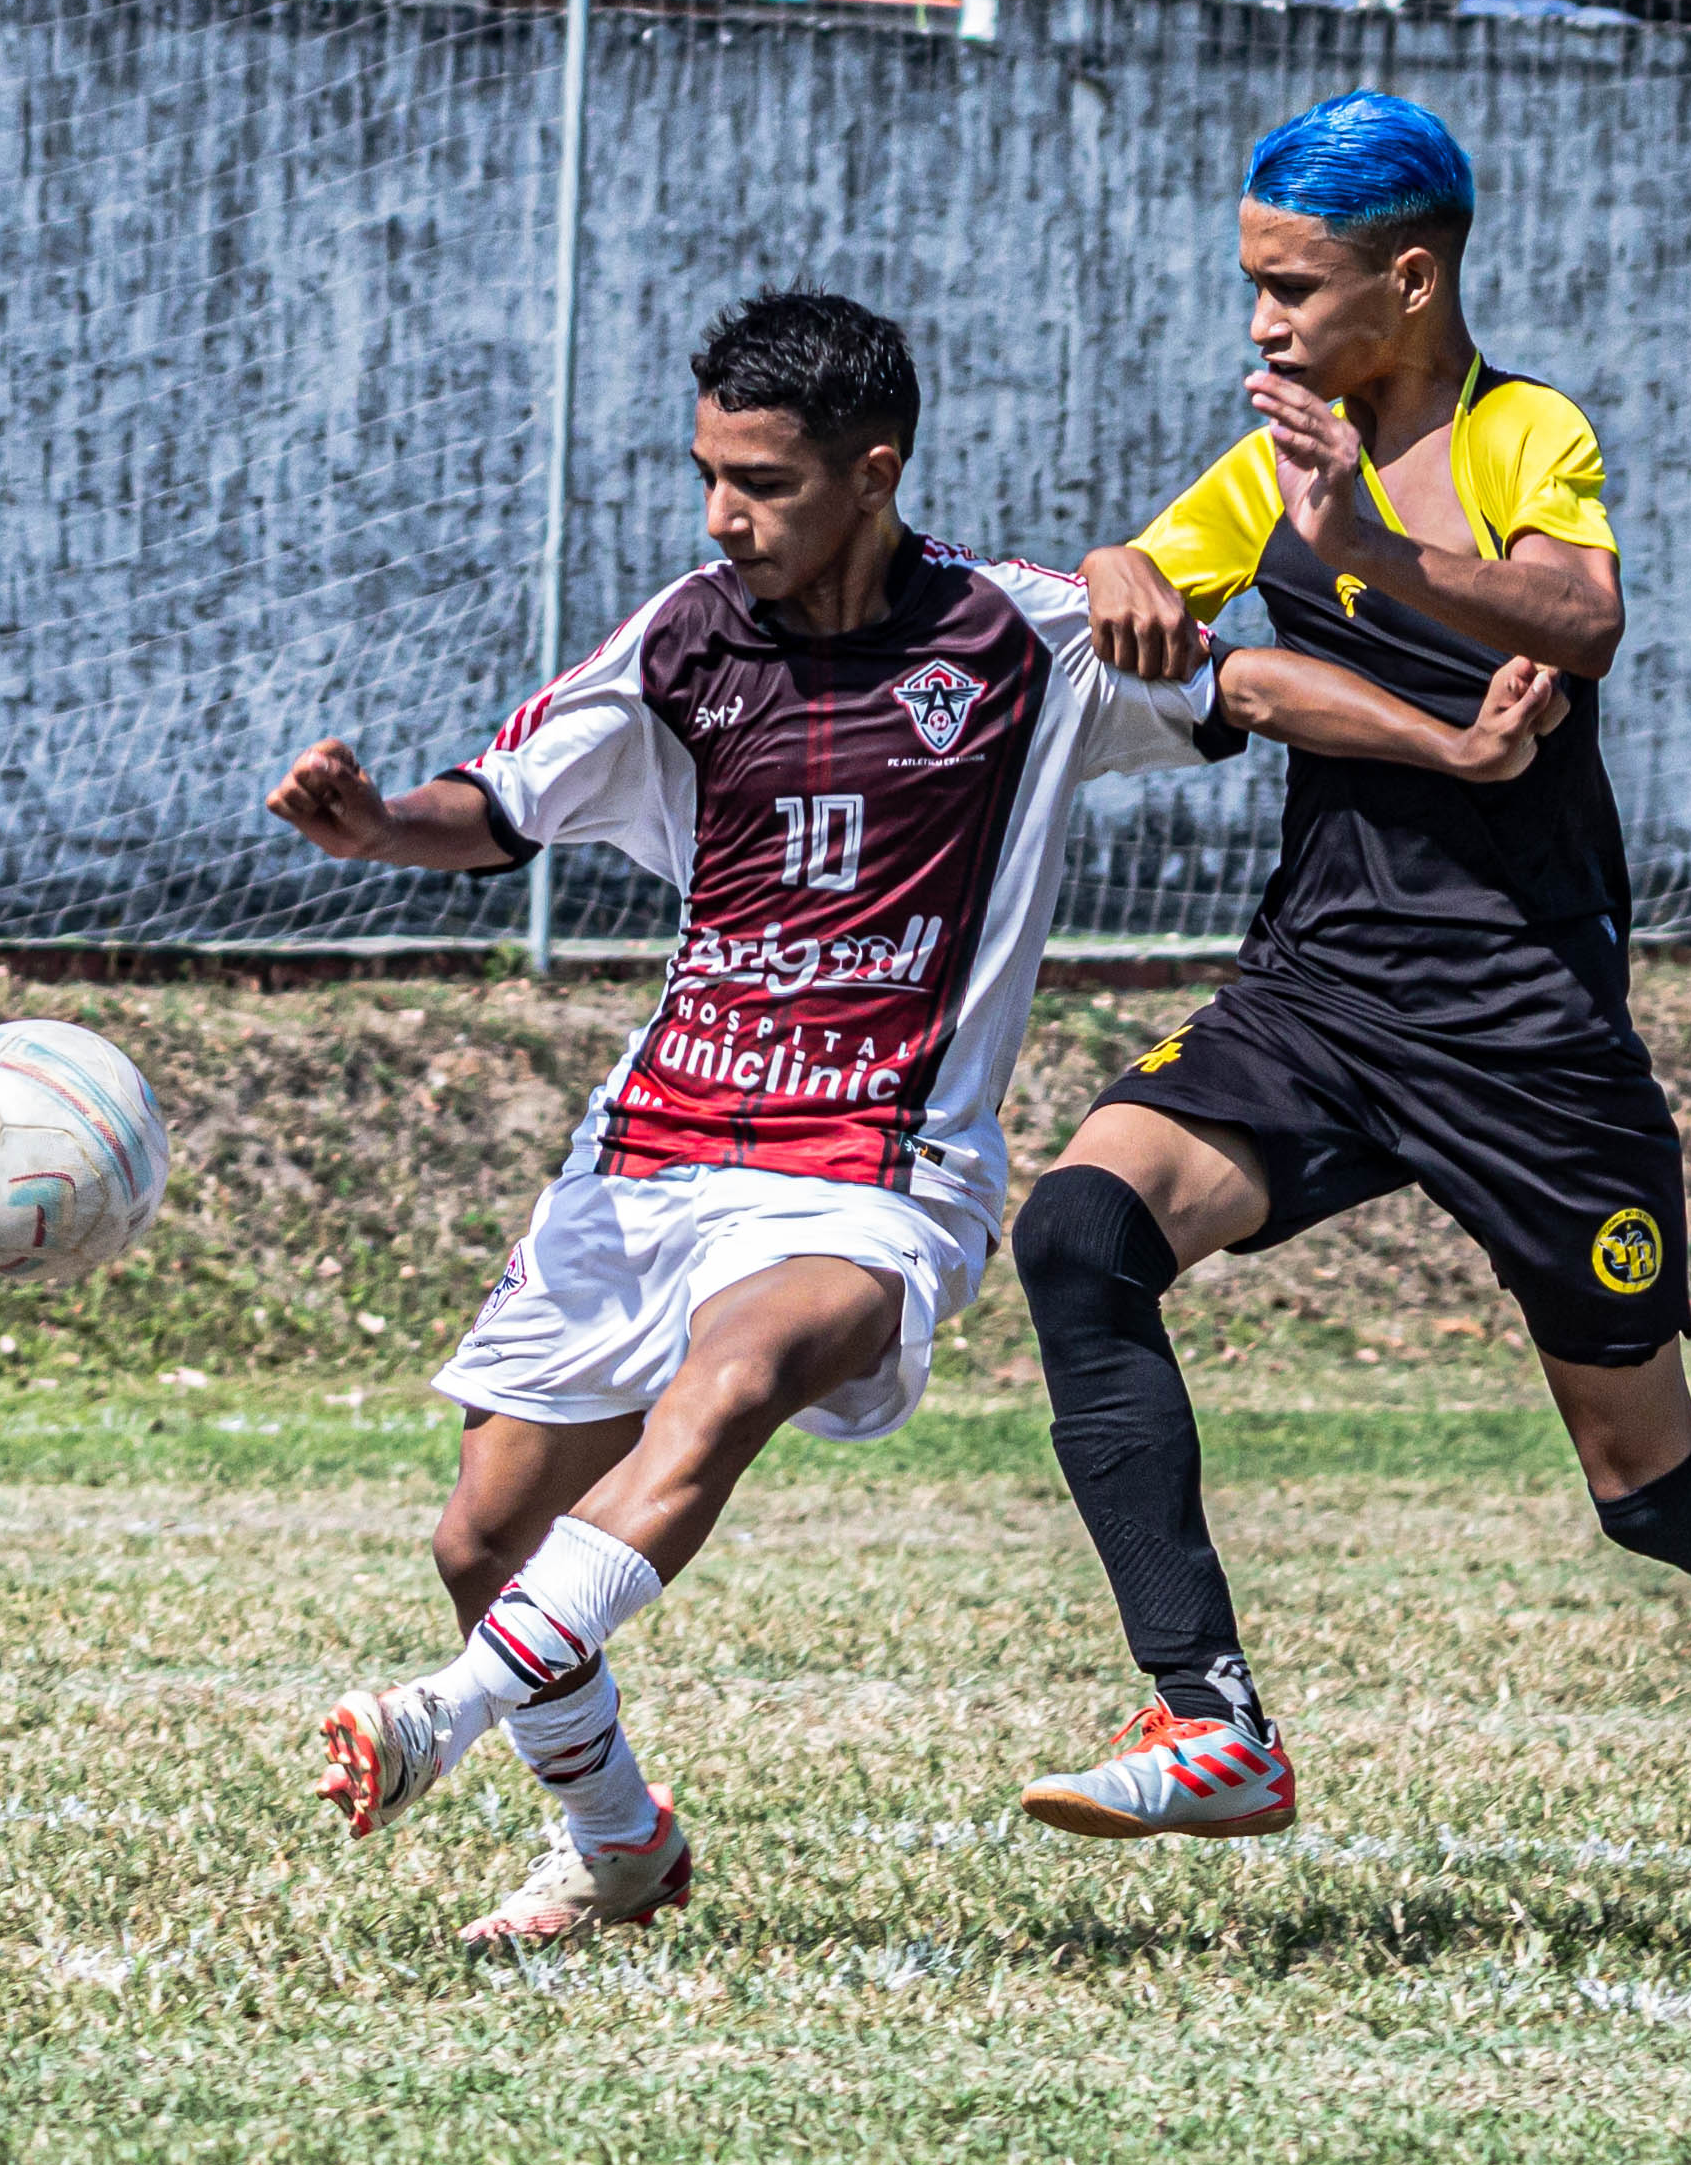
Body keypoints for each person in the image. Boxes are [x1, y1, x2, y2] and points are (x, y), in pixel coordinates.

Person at [265, 286, 1566, 1947]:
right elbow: (502, 808)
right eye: (708, 475)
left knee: (735, 1379)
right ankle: (619, 1842)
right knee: (484, 1536)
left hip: (876, 1168)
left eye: (766, 483)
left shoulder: (1016, 638)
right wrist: (378, 827)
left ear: (872, 473)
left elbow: (1256, 688)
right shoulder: (686, 634)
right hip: (656, 1141)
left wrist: (1455, 748)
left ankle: (440, 1716)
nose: (726, 516)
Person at [1012, 93, 1691, 1945]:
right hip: (1318, 990)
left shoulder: (1519, 430)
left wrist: (1358, 538)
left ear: (1414, 273)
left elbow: (1583, 615)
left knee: (1653, 1487)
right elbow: (1150, 584)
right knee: (1078, 1229)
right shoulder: (1277, 451)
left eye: (1294, 290)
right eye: (1251, 287)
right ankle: (1211, 1717)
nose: (1264, 327)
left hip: (1523, 1026)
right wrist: (1126, 582)